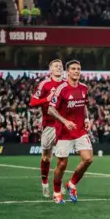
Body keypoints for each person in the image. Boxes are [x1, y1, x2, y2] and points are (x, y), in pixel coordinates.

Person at [48, 60, 92, 204]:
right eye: (73, 69)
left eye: (78, 69)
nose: (76, 71)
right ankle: (56, 191)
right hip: (64, 132)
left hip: (79, 131)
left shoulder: (84, 88)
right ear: (67, 72)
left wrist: (86, 119)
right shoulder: (61, 89)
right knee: (62, 164)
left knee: (88, 159)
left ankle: (71, 184)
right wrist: (65, 121)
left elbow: (83, 106)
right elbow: (51, 109)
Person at [30, 59, 64, 198]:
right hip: (49, 125)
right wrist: (46, 99)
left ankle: (58, 182)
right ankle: (45, 183)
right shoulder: (44, 84)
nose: (58, 68)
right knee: (46, 157)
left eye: (60, 66)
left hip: (63, 125)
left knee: (62, 157)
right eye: (55, 66)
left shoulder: (67, 84)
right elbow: (32, 102)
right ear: (50, 70)